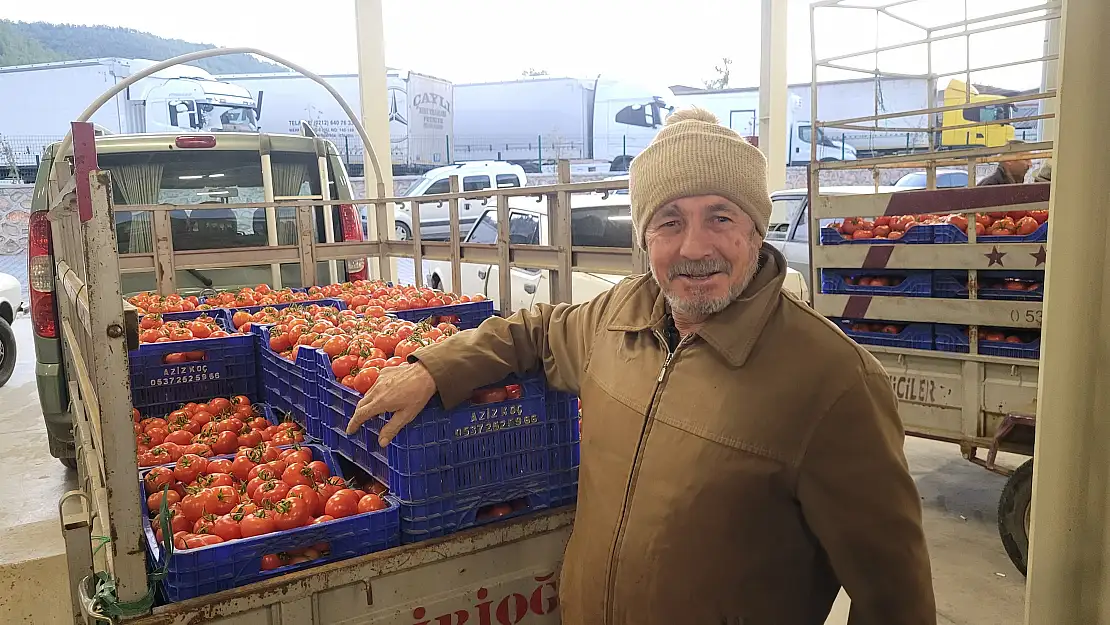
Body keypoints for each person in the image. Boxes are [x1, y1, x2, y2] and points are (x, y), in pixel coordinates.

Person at [348, 107, 937, 625]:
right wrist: (433, 368)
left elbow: (896, 600)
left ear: (758, 230)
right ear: (644, 236)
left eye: (721, 217)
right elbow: (534, 329)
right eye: (670, 221)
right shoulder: (617, 318)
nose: (694, 247)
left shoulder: (832, 382)